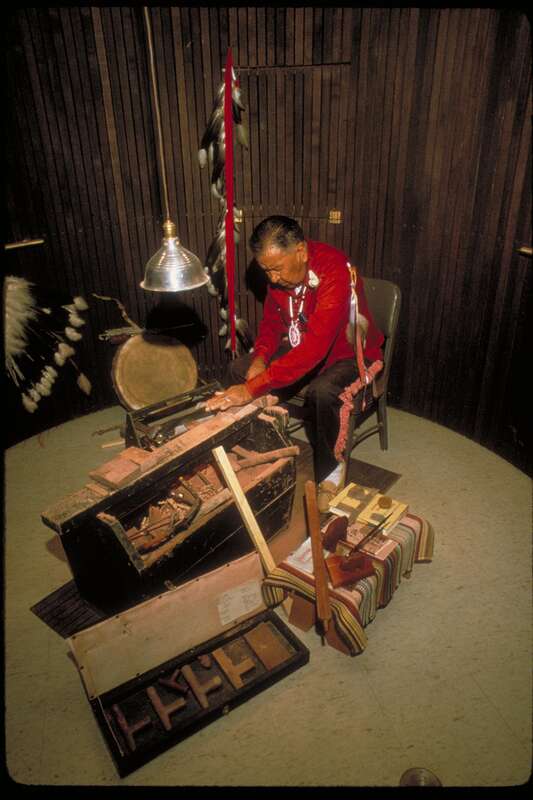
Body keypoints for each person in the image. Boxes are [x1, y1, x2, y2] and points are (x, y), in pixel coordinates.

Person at [205, 215, 384, 511]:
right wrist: (260, 357)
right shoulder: (281, 276)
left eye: (276, 269)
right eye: (265, 270)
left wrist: (253, 389)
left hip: (352, 355)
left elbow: (315, 349)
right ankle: (249, 450)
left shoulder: (334, 270)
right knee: (239, 369)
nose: (272, 278)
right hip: (304, 347)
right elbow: (272, 326)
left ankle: (331, 474)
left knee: (324, 392)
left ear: (300, 251)